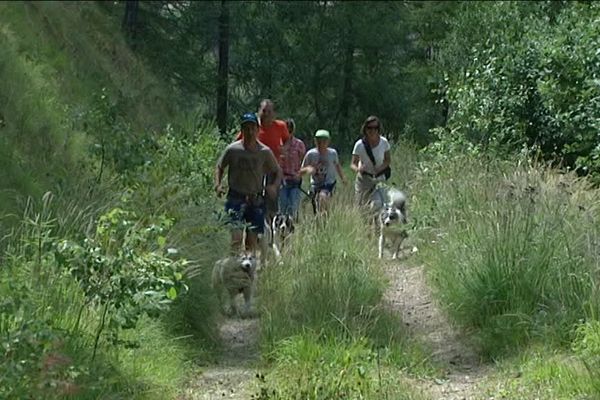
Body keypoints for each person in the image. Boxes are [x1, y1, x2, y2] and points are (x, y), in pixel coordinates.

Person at [215, 112, 283, 255]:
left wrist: (274, 186)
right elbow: (220, 166)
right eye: (246, 128)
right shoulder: (233, 149)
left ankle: (247, 273)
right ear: (242, 130)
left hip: (255, 199)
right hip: (235, 197)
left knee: (251, 241)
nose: (250, 132)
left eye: (253, 128)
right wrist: (218, 184)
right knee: (236, 238)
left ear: (258, 130)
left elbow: (277, 171)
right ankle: (233, 269)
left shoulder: (264, 152)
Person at [237, 99, 290, 221]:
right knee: (253, 198)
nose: (266, 114)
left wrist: (284, 148)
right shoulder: (253, 127)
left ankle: (272, 224)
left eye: (269, 112)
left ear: (274, 114)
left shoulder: (280, 126)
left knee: (272, 197)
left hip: (273, 168)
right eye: (264, 111)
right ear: (259, 111)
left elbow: (288, 139)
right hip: (254, 168)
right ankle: (253, 221)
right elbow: (237, 142)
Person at [300, 129, 347, 213]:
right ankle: (319, 221)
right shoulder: (310, 154)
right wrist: (308, 169)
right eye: (319, 141)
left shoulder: (332, 153)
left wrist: (343, 178)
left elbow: (337, 166)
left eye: (324, 141)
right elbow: (301, 171)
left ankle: (325, 219)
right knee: (309, 205)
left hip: (328, 184)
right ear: (315, 141)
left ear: (328, 141)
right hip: (315, 185)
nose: (321, 144)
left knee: (322, 198)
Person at [350, 115, 391, 210]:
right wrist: (358, 169)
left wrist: (379, 169)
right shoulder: (359, 145)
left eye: (375, 128)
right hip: (363, 179)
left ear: (379, 129)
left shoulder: (384, 142)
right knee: (361, 208)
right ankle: (366, 224)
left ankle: (377, 224)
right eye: (369, 128)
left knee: (378, 204)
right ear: (365, 129)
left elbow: (388, 160)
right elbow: (352, 163)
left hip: (379, 178)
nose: (372, 130)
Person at [278, 118, 306, 218]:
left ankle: (292, 229)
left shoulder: (299, 144)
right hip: (282, 181)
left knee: (293, 208)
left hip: (295, 180)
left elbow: (304, 162)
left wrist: (300, 174)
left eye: (289, 130)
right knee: (282, 207)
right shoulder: (278, 145)